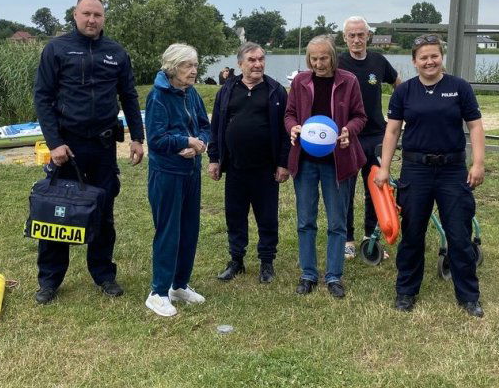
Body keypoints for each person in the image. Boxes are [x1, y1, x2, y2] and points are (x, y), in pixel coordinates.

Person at [32, 0, 145, 305]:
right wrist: (54, 143)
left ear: (103, 18)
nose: (92, 20)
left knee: (103, 212)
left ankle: (104, 274)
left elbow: (129, 96)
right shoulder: (57, 49)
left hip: (104, 147)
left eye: (97, 15)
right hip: (67, 147)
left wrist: (137, 137)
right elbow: (43, 98)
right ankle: (50, 280)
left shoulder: (116, 53)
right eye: (86, 14)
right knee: (58, 213)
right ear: (75, 15)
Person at [374, 34, 486, 317]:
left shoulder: (459, 87)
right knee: (413, 233)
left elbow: (475, 126)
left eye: (434, 55)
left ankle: (469, 296)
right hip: (416, 169)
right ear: (414, 62)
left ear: (441, 58)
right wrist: (385, 168)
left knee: (459, 234)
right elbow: (392, 130)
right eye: (423, 57)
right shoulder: (405, 92)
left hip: (452, 170)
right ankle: (406, 292)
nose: (429, 61)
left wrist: (478, 163)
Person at [285, 35, 367, 298]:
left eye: (323, 58)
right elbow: (289, 114)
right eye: (313, 58)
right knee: (305, 220)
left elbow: (360, 116)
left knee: (337, 222)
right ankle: (308, 273)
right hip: (306, 162)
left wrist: (347, 131)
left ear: (333, 56)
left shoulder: (349, 81)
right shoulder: (300, 81)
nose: (318, 64)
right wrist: (293, 127)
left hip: (337, 162)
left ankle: (334, 276)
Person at [208, 42, 290, 283]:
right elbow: (216, 127)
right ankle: (236, 260)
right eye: (252, 60)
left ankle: (266, 262)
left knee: (267, 216)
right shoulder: (227, 90)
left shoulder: (275, 90)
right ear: (240, 63)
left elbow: (286, 131)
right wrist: (214, 158)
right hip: (235, 167)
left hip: (266, 168)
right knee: (235, 215)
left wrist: (283, 163)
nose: (258, 64)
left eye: (261, 59)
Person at [144, 43, 211, 317]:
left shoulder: (191, 93)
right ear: (172, 68)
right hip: (167, 174)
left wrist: (200, 144)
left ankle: (179, 284)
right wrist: (185, 141)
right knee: (169, 230)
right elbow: (156, 138)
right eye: (187, 66)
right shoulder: (157, 96)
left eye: (195, 65)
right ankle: (158, 292)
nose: (193, 71)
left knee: (189, 228)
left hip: (191, 171)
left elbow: (204, 126)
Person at [338, 16, 401, 259]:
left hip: (376, 135)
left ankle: (370, 236)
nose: (356, 39)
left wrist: (404, 107)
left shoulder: (378, 61)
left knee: (375, 187)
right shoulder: (338, 62)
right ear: (345, 38)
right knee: (347, 188)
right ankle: (347, 239)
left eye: (360, 34)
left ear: (368, 36)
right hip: (348, 136)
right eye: (351, 35)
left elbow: (398, 84)